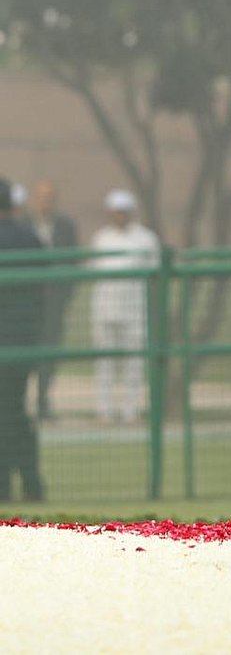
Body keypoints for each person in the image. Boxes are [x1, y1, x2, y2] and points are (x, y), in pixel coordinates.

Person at [90, 189, 159, 424]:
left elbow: (155, 270)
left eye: (124, 212)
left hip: (134, 310)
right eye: (116, 212)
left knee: (134, 363)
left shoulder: (145, 238)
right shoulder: (101, 238)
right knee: (105, 364)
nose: (120, 216)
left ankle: (131, 411)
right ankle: (105, 411)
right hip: (105, 308)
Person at [0, 177, 46, 501]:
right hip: (25, 340)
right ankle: (32, 483)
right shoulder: (30, 237)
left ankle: (4, 486)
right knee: (16, 410)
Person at [26, 180, 79, 420]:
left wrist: (64, 295)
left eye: (49, 197)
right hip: (28, 304)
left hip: (54, 303)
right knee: (25, 353)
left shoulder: (66, 227)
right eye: (41, 197)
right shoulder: (24, 226)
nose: (45, 202)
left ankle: (43, 400)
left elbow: (73, 262)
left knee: (50, 352)